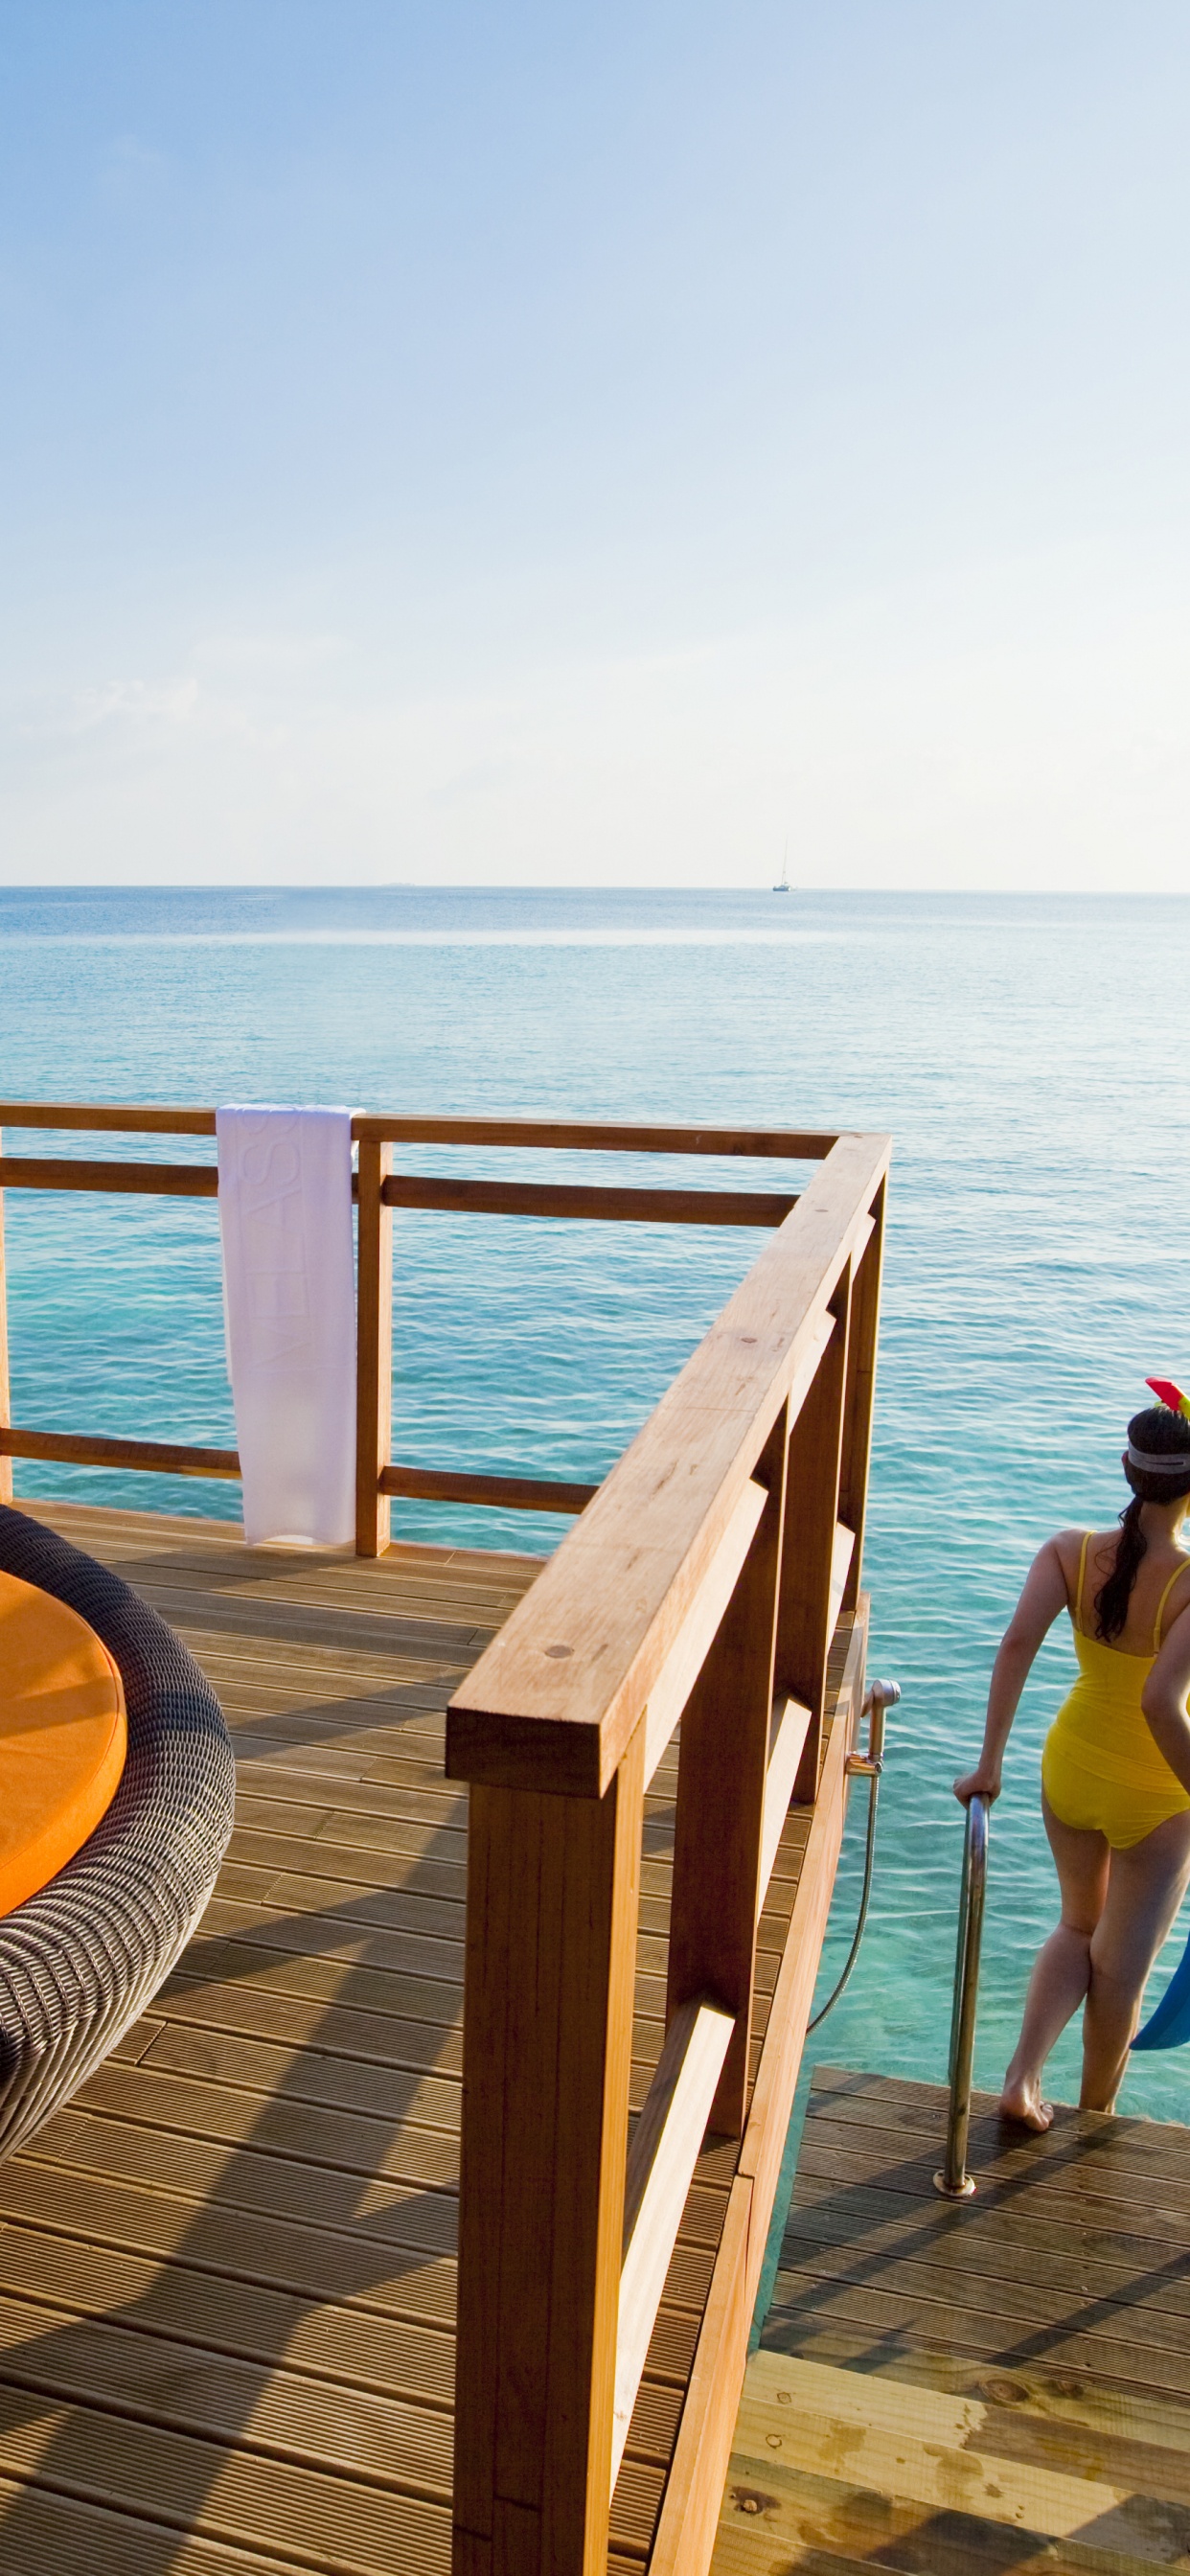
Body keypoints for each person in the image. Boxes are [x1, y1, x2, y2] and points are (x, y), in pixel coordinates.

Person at [954, 1392, 1190, 2129]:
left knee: (1076, 1927)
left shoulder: (1070, 1550)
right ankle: (1097, 2118)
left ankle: (1021, 2080)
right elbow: (1161, 1703)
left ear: (1127, 1468)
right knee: (1120, 1974)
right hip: (1156, 1792)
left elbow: (1016, 1645)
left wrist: (988, 1764)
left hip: (1072, 1769)